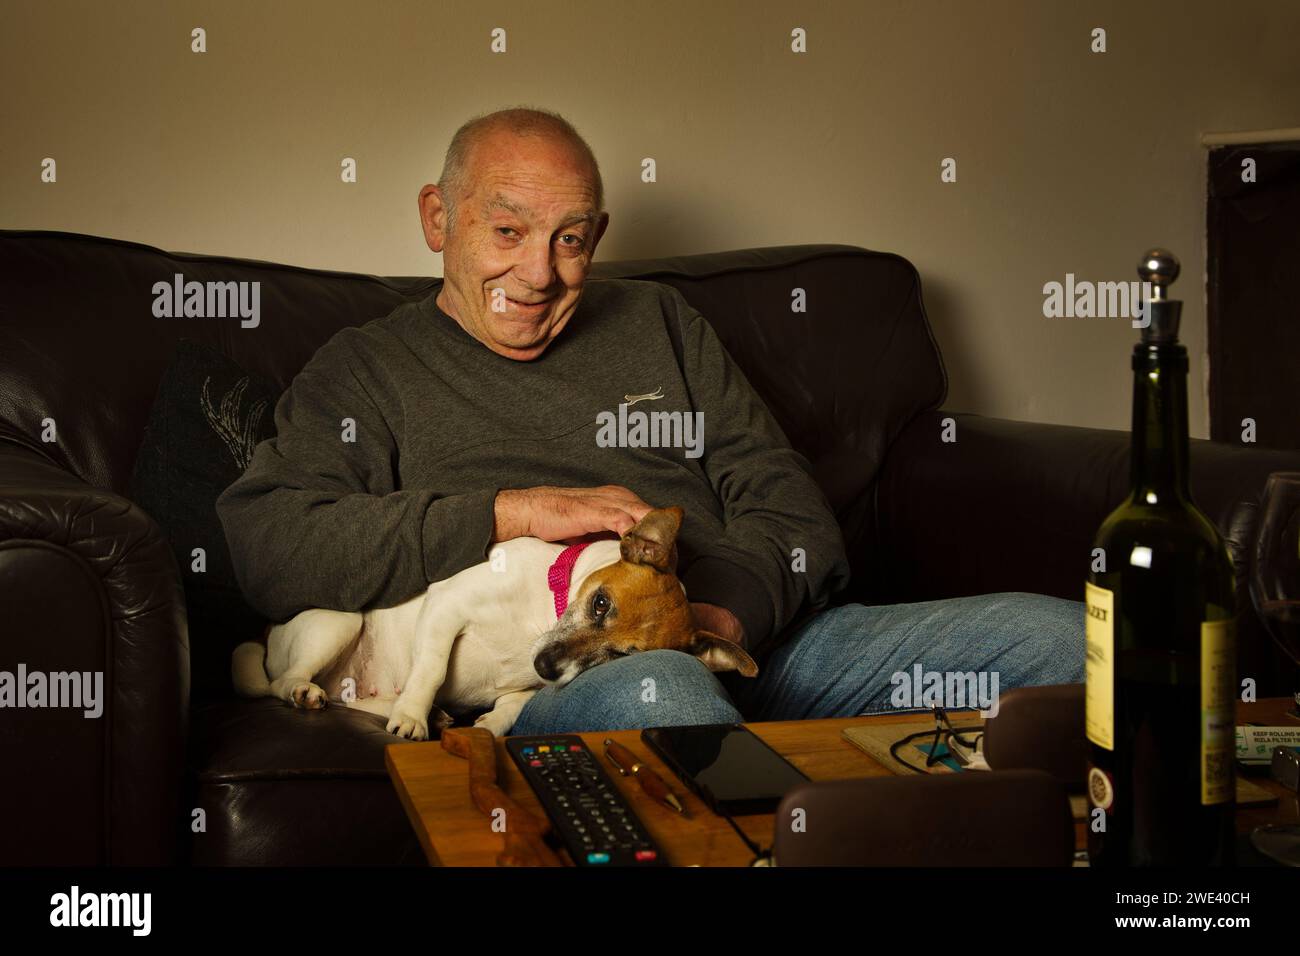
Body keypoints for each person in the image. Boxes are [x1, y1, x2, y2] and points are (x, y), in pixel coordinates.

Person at [216, 105, 1084, 734]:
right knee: (662, 700)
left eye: (570, 239)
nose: (538, 273)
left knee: (1071, 644)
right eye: (508, 229)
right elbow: (271, 546)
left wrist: (717, 619)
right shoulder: (366, 367)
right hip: (568, 676)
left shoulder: (660, 323)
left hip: (767, 646)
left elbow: (792, 513)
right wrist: (513, 511)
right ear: (438, 219)